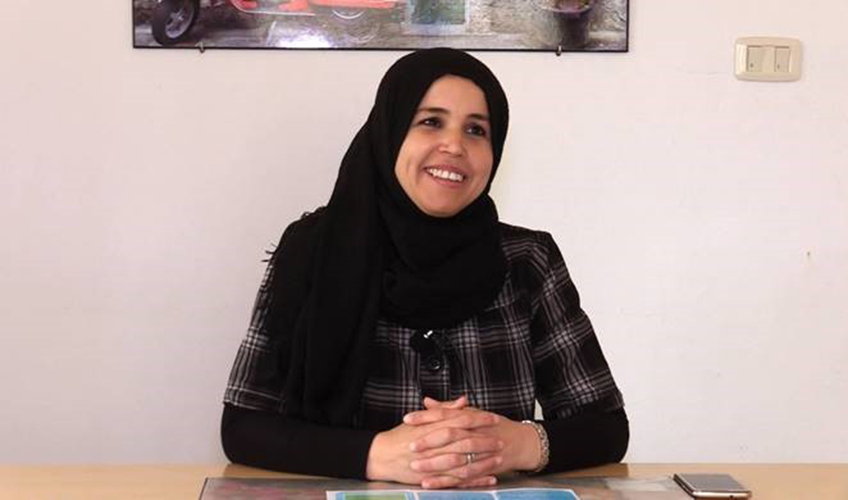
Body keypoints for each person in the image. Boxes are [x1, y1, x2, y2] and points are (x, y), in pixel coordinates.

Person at [221, 47, 628, 489]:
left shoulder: (528, 259)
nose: (454, 145)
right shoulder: (312, 252)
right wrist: (378, 456)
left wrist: (514, 444)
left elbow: (606, 426)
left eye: (476, 130)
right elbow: (243, 428)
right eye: (431, 121)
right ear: (390, 132)